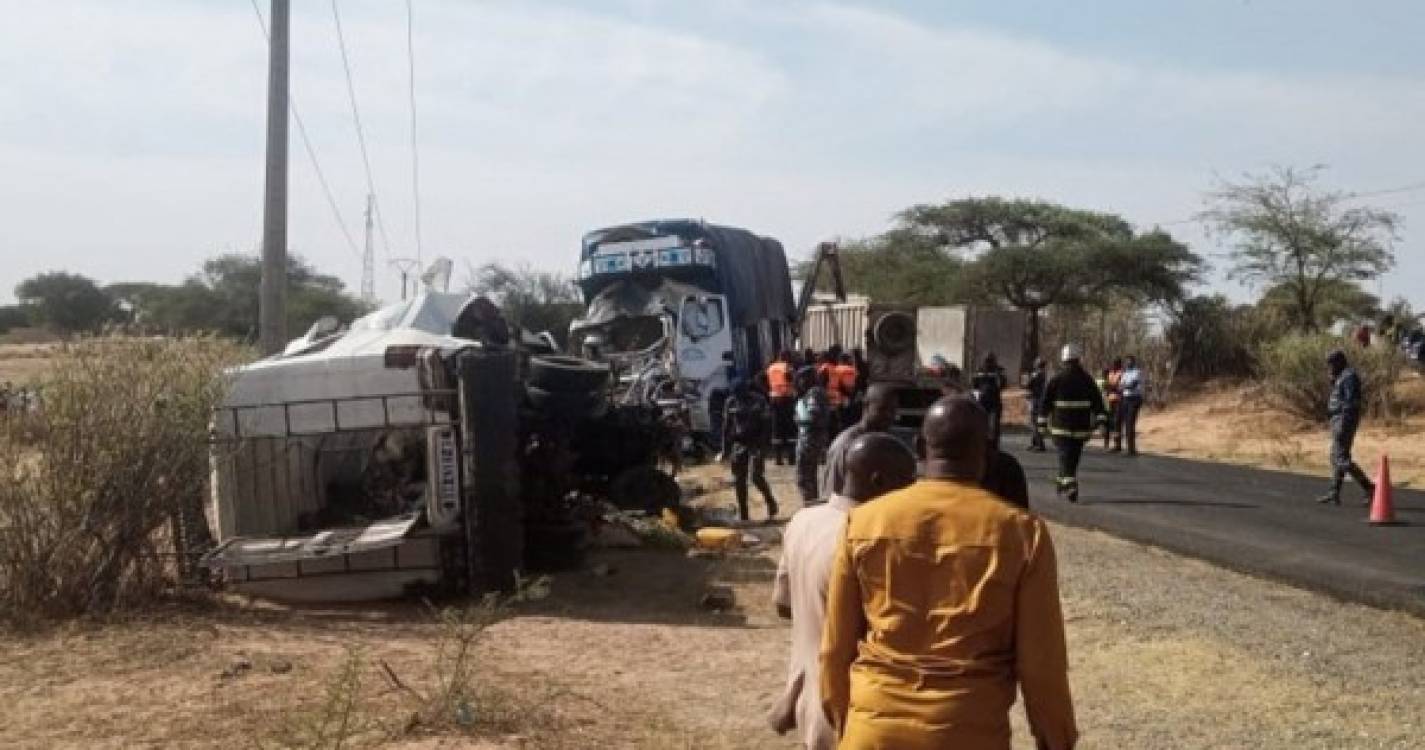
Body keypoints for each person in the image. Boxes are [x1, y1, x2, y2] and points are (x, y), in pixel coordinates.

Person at [820, 396, 1078, 750]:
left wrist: (844, 721)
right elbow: (1041, 665)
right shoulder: (1021, 533)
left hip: (874, 727)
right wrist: (1055, 738)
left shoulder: (864, 521)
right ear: (986, 453)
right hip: (969, 729)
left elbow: (836, 646)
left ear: (920, 447)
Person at [768, 434, 917, 750]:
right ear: (879, 481)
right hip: (852, 712)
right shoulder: (872, 540)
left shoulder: (803, 520)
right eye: (907, 482)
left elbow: (783, 604)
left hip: (809, 702)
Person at [1038, 344, 1106, 503]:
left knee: (1065, 456)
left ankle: (1069, 484)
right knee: (1072, 458)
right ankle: (1065, 482)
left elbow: (1045, 403)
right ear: (1078, 359)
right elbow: (1098, 402)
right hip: (1081, 428)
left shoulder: (1057, 379)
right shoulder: (1087, 379)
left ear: (1064, 359)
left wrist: (1041, 425)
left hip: (1061, 428)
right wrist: (1102, 422)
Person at [1317, 349, 1376, 506]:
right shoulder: (1342, 376)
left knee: (1340, 458)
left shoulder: (1349, 377)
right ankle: (1334, 492)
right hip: (1338, 420)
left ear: (1340, 362)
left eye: (1332, 364)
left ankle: (1369, 487)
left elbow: (1351, 402)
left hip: (1344, 420)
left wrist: (1343, 422)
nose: (1329, 367)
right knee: (1337, 456)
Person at [819, 383, 899, 497]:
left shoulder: (886, 443)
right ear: (866, 406)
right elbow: (832, 493)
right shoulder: (846, 445)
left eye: (893, 410)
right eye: (883, 409)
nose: (889, 415)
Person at [720, 378, 779, 521]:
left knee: (756, 476)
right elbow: (726, 426)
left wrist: (765, 444)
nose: (739, 396)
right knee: (739, 480)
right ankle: (744, 514)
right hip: (739, 444)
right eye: (736, 394)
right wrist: (724, 449)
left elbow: (767, 423)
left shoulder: (758, 400)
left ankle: (770, 501)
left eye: (741, 393)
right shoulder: (731, 402)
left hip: (756, 443)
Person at [793, 367, 832, 507]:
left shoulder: (813, 393)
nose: (799, 382)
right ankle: (812, 505)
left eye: (801, 379)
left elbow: (813, 418)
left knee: (803, 477)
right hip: (813, 439)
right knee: (810, 477)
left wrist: (798, 420)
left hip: (810, 440)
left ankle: (810, 507)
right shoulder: (817, 392)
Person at [767, 351, 797, 466]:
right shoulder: (787, 367)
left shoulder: (771, 367)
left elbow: (763, 380)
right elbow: (790, 378)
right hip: (787, 399)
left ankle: (778, 458)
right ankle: (791, 458)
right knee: (790, 429)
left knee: (776, 429)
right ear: (786, 357)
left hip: (774, 399)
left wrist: (769, 391)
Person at [971, 352, 1007, 447]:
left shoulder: (999, 371)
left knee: (994, 425)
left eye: (990, 361)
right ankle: (982, 443)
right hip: (982, 401)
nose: (988, 363)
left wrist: (998, 377)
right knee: (981, 423)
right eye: (987, 361)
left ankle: (994, 444)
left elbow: (1003, 385)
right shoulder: (980, 369)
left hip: (994, 401)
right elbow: (974, 385)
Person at [1117, 355, 1146, 457]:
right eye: (1126, 361)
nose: (1127, 363)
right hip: (1125, 399)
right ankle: (1129, 448)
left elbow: (1132, 385)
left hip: (1135, 399)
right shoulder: (1125, 373)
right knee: (1126, 423)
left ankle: (1131, 449)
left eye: (1129, 361)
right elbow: (1120, 386)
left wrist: (1124, 386)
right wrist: (1123, 386)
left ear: (1134, 362)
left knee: (1130, 423)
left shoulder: (1137, 372)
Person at [1024, 358, 1048, 452]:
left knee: (1035, 423)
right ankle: (1035, 443)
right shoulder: (1044, 375)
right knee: (1034, 423)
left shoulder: (1038, 375)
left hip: (1036, 401)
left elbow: (1028, 385)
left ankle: (1039, 444)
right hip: (1038, 400)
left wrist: (1029, 378)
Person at [832, 352, 860, 429]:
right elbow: (849, 387)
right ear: (847, 360)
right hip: (845, 401)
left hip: (834, 400)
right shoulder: (849, 370)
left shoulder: (834, 369)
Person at [1103, 358, 1124, 451]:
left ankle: (1117, 444)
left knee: (1117, 422)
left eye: (1116, 364)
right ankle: (1106, 443)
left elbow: (1119, 387)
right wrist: (1111, 386)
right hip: (1110, 400)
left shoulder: (1122, 373)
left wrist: (1112, 386)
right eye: (1113, 363)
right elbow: (1106, 385)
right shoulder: (1110, 373)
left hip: (1119, 400)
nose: (1114, 365)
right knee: (1108, 421)